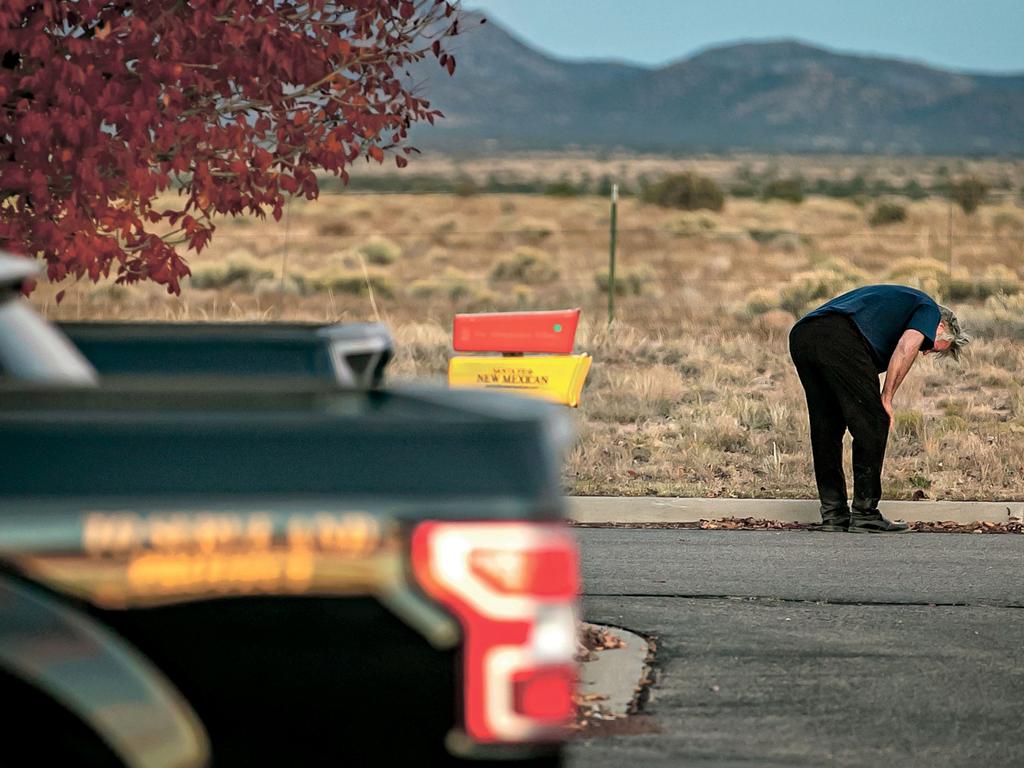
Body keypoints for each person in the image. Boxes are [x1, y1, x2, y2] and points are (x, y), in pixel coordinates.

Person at [789, 285, 969, 533]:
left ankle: (834, 515)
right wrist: (887, 397)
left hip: (803, 335)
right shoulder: (928, 309)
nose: (926, 351)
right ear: (941, 327)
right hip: (838, 336)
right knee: (874, 421)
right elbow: (906, 347)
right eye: (934, 346)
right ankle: (865, 514)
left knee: (827, 427)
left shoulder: (899, 306)